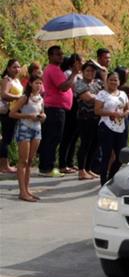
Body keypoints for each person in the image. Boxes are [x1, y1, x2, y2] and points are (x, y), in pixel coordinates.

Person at [39, 45, 80, 178]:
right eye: (57, 54)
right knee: (52, 138)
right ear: (50, 56)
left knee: (53, 138)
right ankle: (47, 167)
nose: (61, 56)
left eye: (62, 54)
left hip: (57, 109)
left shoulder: (55, 69)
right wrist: (74, 73)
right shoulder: (53, 69)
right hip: (54, 109)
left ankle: (46, 166)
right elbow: (63, 87)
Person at [9, 75, 45, 202]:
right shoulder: (25, 98)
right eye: (36, 83)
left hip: (37, 129)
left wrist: (42, 116)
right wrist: (28, 116)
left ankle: (27, 189)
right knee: (23, 161)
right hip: (24, 128)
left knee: (30, 161)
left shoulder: (40, 98)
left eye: (40, 83)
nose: (39, 86)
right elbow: (12, 113)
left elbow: (42, 111)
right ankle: (22, 191)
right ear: (30, 84)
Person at [94, 72, 129, 185]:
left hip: (121, 127)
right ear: (107, 81)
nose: (113, 82)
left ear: (119, 82)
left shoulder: (123, 94)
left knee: (121, 156)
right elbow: (97, 110)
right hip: (106, 127)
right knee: (107, 155)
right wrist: (111, 113)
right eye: (111, 80)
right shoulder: (102, 94)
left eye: (116, 80)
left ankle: (111, 177)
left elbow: (127, 109)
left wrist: (124, 113)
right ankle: (103, 180)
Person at [74, 61, 103, 180]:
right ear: (83, 72)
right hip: (85, 118)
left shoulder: (98, 82)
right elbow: (88, 98)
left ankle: (88, 168)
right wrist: (102, 98)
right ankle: (81, 170)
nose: (90, 73)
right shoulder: (80, 83)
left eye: (93, 71)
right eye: (88, 71)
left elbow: (109, 91)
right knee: (85, 144)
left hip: (98, 118)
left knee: (95, 144)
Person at [59, 53, 83, 175]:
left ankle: (70, 161)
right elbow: (72, 87)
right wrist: (75, 74)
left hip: (80, 106)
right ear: (74, 63)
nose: (82, 63)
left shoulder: (80, 75)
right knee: (67, 136)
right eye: (80, 61)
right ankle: (62, 163)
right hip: (71, 105)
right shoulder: (68, 73)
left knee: (74, 136)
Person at [0, 59, 23, 173]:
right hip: (7, 112)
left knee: (8, 138)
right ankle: (4, 165)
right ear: (8, 68)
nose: (17, 69)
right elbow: (4, 94)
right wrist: (18, 97)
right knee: (6, 139)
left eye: (18, 67)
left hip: (15, 111)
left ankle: (5, 164)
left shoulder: (16, 80)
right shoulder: (6, 79)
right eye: (14, 67)